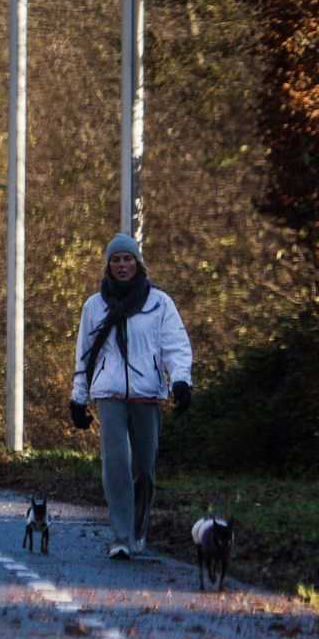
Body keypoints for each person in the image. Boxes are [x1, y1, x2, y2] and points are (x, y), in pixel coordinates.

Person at [69, 232, 193, 560]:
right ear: (108, 266)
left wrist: (181, 381)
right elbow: (84, 354)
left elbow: (175, 345)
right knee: (116, 464)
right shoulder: (94, 307)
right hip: (108, 393)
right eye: (116, 260)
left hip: (147, 393)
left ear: (137, 263)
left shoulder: (159, 303)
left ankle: (139, 528)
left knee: (144, 468)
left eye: (127, 259)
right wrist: (78, 398)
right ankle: (121, 535)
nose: (122, 265)